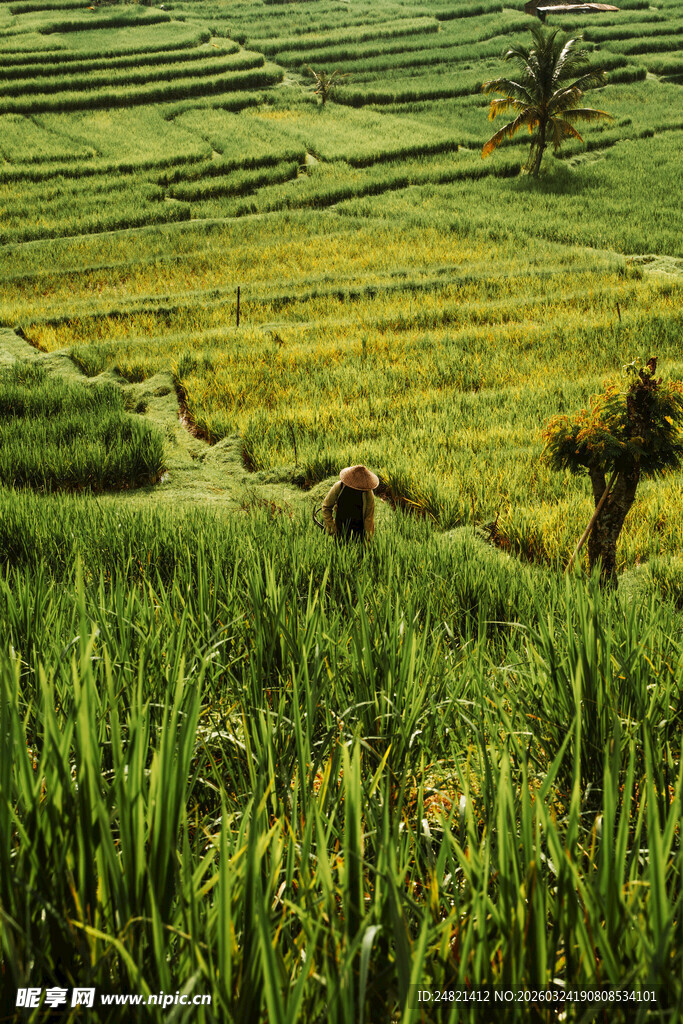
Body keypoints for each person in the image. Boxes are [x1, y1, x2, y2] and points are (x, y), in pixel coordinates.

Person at [322, 464, 379, 541]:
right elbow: (326, 506)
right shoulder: (339, 486)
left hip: (359, 531)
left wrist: (368, 540)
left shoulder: (368, 494)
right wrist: (332, 527)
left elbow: (369, 518)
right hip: (340, 527)